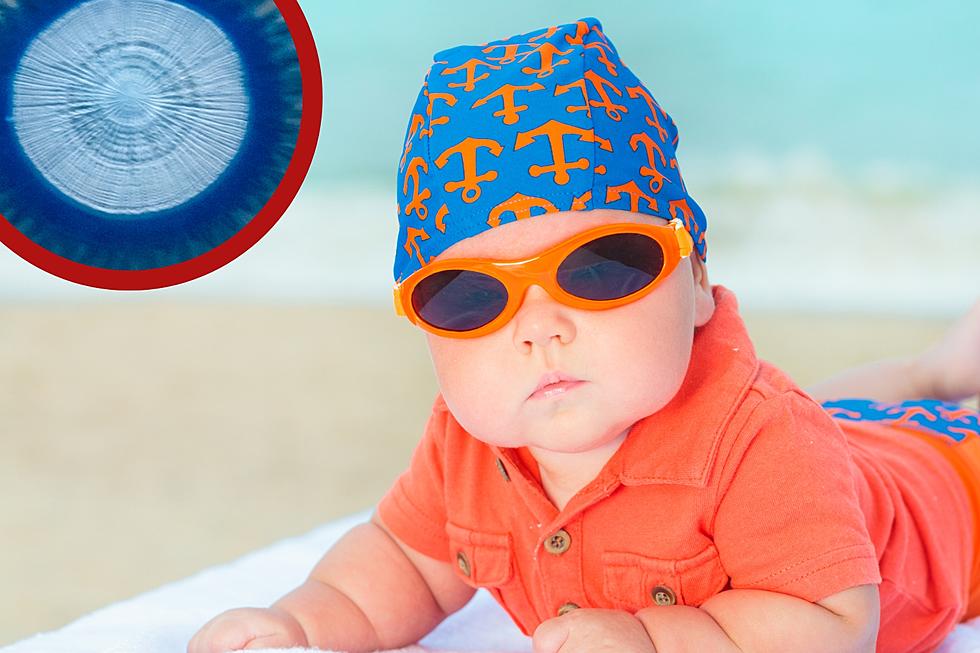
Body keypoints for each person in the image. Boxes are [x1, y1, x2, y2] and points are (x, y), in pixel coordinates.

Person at [188, 17, 980, 653]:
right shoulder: (469, 447)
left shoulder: (765, 441)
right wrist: (301, 623)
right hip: (836, 445)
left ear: (695, 280)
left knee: (857, 431)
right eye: (468, 297)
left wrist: (647, 635)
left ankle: (942, 378)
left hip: (944, 493)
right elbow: (403, 566)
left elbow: (829, 625)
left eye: (600, 268)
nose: (540, 329)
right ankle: (936, 367)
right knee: (842, 416)